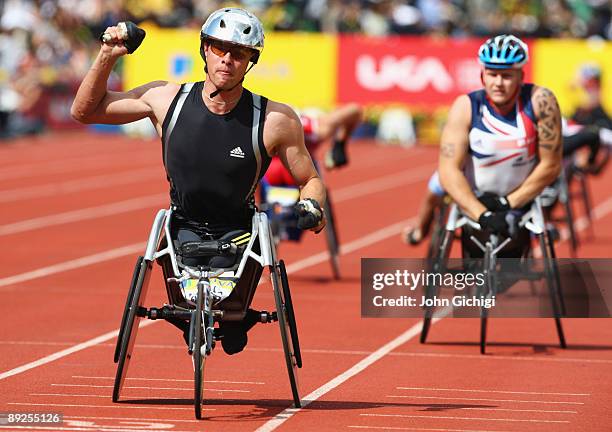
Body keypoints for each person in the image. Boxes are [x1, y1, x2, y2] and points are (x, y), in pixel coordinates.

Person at [71, 8, 326, 355]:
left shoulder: (275, 119)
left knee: (234, 316)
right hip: (181, 227)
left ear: (251, 60)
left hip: (241, 233)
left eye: (238, 54)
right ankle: (197, 317)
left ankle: (234, 317)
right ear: (204, 49)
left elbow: (309, 178)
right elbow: (85, 111)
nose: (227, 60)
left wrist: (312, 205)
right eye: (219, 49)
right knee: (181, 269)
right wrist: (108, 54)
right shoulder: (166, 99)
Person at [437, 34, 563, 257]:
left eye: (506, 76)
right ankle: (420, 227)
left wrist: (508, 203)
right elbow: (448, 170)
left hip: (519, 200)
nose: (498, 83)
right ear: (482, 74)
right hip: (475, 200)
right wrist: (482, 214)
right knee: (434, 188)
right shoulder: (465, 106)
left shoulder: (541, 102)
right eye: (492, 74)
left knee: (511, 265)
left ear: (521, 76)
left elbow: (551, 165)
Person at [263, 103, 363, 187]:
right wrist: (340, 145)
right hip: (276, 169)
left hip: (287, 168)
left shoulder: (315, 129)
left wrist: (340, 144)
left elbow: (355, 110)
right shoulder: (317, 129)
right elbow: (355, 110)